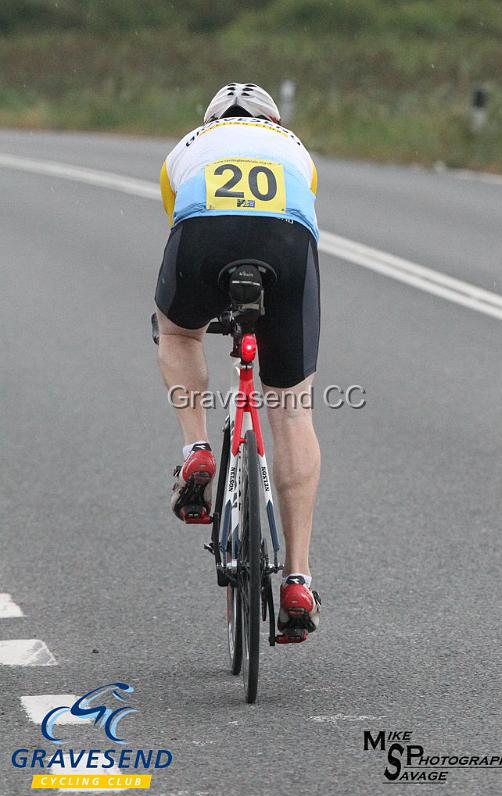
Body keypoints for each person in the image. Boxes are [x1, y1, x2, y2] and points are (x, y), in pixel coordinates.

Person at [154, 83, 321, 640]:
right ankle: (297, 578)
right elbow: (307, 215)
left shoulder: (190, 143)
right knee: (293, 410)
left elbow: (175, 222)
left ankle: (197, 449)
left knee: (177, 332)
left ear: (213, 118)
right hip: (286, 246)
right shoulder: (295, 148)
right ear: (272, 118)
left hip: (205, 236)